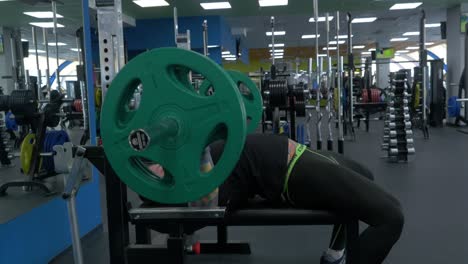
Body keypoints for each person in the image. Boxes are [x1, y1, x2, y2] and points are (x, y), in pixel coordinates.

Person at [147, 133, 404, 264]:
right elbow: (204, 207)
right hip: (290, 172)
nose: (158, 166)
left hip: (298, 152)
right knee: (392, 217)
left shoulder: (189, 167)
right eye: (155, 172)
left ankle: (335, 255)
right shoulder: (206, 187)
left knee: (365, 174)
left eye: (154, 166)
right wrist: (200, 148)